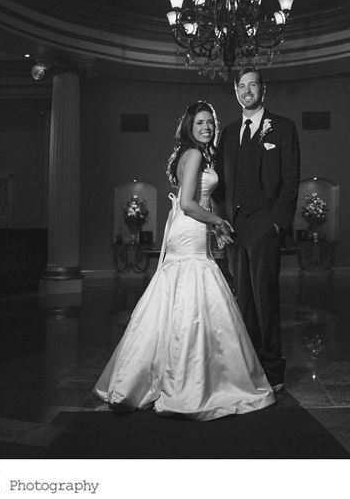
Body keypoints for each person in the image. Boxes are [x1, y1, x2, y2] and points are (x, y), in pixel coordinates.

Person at [94, 101, 275, 420]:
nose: (207, 127)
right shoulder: (193, 155)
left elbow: (194, 203)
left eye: (210, 123)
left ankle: (162, 374)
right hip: (189, 228)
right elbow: (190, 204)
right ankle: (187, 381)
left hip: (190, 228)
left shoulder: (195, 155)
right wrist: (218, 222)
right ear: (189, 128)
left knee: (178, 298)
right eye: (200, 123)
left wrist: (213, 224)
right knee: (193, 294)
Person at [217, 68, 300, 392]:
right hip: (236, 229)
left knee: (266, 299)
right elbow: (221, 184)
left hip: (265, 225)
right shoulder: (228, 131)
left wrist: (276, 222)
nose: (247, 91)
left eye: (253, 85)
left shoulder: (283, 128)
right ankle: (249, 365)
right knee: (244, 302)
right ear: (236, 91)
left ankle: (272, 369)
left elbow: (290, 181)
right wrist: (222, 220)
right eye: (242, 86)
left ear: (263, 90)